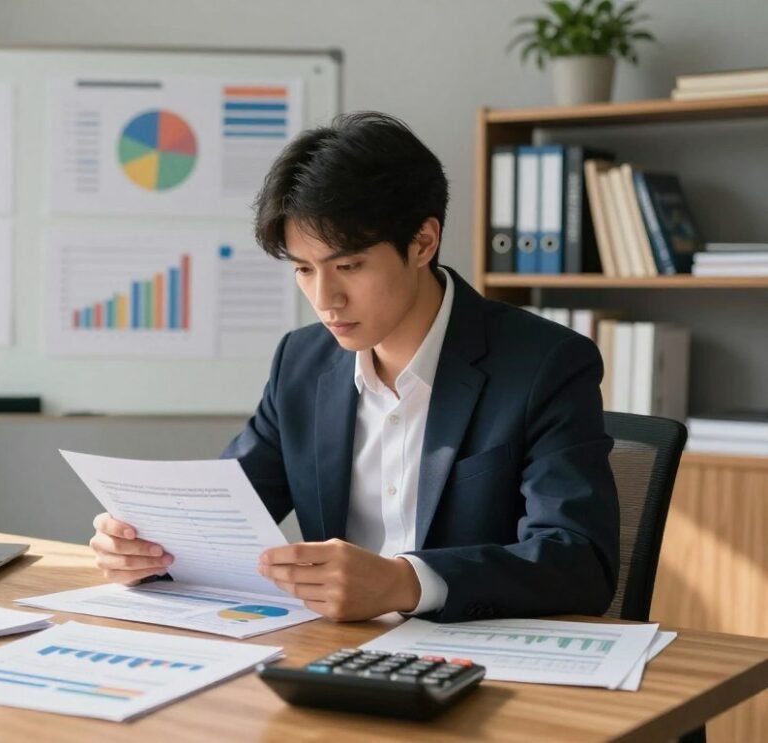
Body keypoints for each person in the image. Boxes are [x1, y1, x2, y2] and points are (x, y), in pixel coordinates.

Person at [89, 112, 619, 623]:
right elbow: (225, 517)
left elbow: (578, 561)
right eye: (303, 269)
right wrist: (147, 549)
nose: (325, 299)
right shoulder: (300, 362)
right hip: (328, 651)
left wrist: (406, 583)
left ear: (422, 243)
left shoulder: (545, 364)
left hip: (478, 665)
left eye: (348, 266)